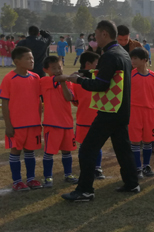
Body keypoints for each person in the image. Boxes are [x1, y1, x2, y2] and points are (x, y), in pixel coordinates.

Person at [58, 20, 140, 201]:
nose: (94, 38)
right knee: (122, 148)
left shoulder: (109, 55)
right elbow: (107, 76)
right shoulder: (122, 53)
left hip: (110, 111)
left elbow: (101, 85)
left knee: (87, 149)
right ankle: (132, 183)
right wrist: (83, 74)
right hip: (121, 110)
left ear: (104, 34)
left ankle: (85, 190)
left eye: (96, 33)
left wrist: (76, 80)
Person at [1, 46, 43, 191]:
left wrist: (39, 119)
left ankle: (31, 179)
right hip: (17, 124)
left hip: (33, 123)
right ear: (17, 61)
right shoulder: (9, 79)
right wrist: (8, 125)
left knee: (30, 151)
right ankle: (17, 181)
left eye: (32, 57)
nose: (31, 60)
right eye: (28, 58)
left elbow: (38, 101)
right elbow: (5, 103)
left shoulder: (35, 77)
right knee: (15, 151)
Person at [40, 56, 78, 187]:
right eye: (54, 68)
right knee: (49, 152)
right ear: (46, 70)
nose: (58, 70)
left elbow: (68, 98)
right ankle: (48, 177)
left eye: (60, 67)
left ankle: (68, 174)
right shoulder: (45, 80)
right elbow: (58, 78)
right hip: (52, 123)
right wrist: (69, 77)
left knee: (67, 151)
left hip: (67, 123)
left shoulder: (67, 83)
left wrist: (65, 81)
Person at [73, 51, 105, 180]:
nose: (99, 66)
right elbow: (75, 100)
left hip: (98, 118)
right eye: (96, 63)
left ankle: (97, 168)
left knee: (97, 145)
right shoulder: (76, 80)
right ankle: (85, 169)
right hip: (83, 119)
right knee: (84, 146)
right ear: (88, 64)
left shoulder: (100, 78)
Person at [129, 48, 154, 178]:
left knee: (148, 141)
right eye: (132, 58)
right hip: (134, 111)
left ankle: (146, 166)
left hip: (148, 111)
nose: (133, 61)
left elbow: (153, 93)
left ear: (145, 60)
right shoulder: (131, 74)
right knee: (135, 141)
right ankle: (137, 168)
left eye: (136, 58)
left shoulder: (153, 76)